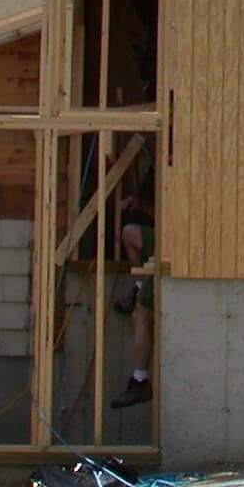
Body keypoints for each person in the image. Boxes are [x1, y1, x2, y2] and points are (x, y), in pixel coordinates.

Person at [109, 139, 155, 409]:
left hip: (173, 245)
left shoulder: (179, 158)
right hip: (162, 242)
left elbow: (169, 214)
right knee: (129, 232)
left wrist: (142, 206)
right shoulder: (160, 161)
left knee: (141, 314)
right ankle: (138, 285)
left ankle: (139, 381)